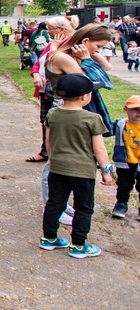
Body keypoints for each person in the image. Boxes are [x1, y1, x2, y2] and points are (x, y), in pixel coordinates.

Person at [39, 73, 111, 258]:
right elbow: (99, 149)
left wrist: (52, 159)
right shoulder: (92, 119)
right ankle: (78, 245)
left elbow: (48, 139)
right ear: (84, 97)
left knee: (55, 204)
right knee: (83, 208)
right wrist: (106, 170)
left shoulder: (53, 113)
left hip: (57, 168)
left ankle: (49, 238)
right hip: (83, 172)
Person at [26, 15, 78, 164]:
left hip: (60, 91)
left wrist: (54, 49)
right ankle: (46, 151)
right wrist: (36, 74)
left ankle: (60, 153)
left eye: (50, 29)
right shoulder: (53, 43)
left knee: (60, 121)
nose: (47, 31)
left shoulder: (71, 43)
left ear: (61, 29)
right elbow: (39, 62)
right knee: (46, 121)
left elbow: (53, 63)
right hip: (46, 90)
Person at [109, 96, 140, 219]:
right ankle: (121, 204)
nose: (138, 113)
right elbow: (104, 130)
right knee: (123, 185)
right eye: (135, 109)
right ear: (126, 110)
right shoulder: (120, 124)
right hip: (125, 162)